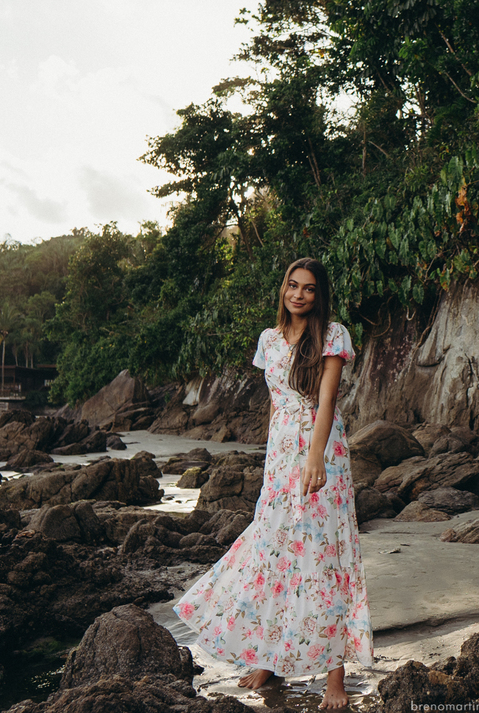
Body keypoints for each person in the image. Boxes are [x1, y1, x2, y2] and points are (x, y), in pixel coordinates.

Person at [174, 257, 374, 709]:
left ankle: (335, 678)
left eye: (308, 288)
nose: (298, 294)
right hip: (281, 454)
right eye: (292, 285)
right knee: (275, 552)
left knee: (324, 558)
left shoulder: (332, 335)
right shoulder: (269, 340)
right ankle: (270, 656)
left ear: (318, 294)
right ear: (283, 288)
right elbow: (274, 405)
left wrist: (315, 460)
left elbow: (325, 404)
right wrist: (274, 461)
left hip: (320, 451)